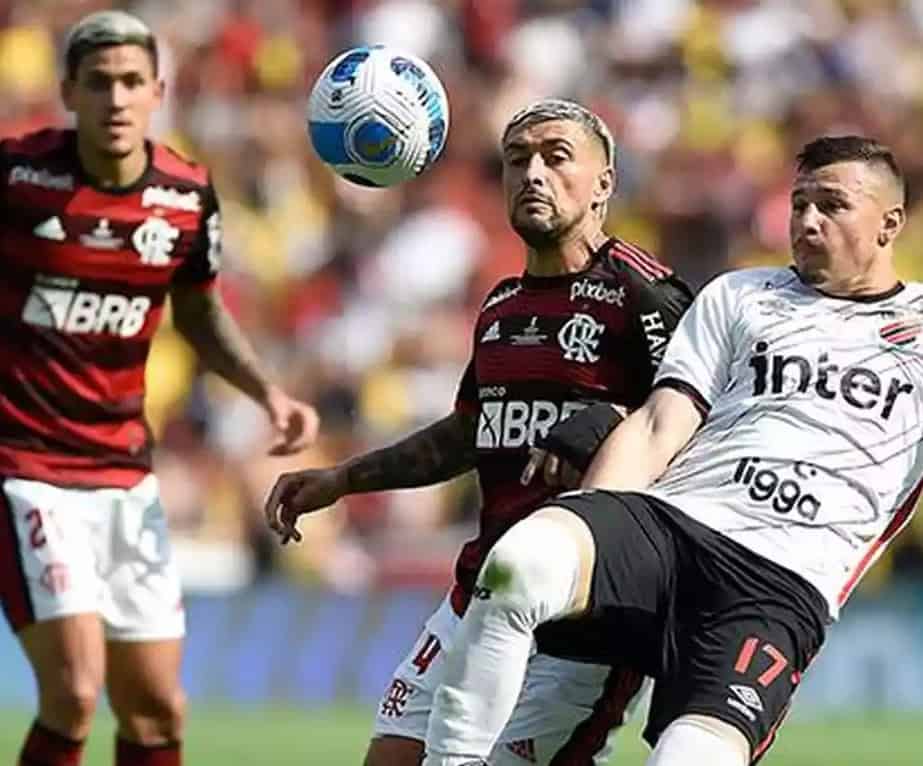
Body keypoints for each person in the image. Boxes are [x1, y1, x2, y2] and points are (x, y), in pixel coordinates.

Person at [419, 134, 922, 766]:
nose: (808, 221)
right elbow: (660, 425)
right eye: (799, 204)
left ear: (890, 223)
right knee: (521, 562)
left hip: (777, 585)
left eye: (832, 205)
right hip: (672, 526)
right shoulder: (741, 295)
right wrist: (593, 532)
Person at [265, 98, 693, 766]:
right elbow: (467, 433)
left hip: (581, 612)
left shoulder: (648, 295)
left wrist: (609, 419)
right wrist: (342, 478)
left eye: (556, 157)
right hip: (476, 592)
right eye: (516, 159)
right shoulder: (501, 307)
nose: (532, 174)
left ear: (604, 182)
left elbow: (697, 423)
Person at [0, 11, 319, 766]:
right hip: (27, 472)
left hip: (125, 478)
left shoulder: (184, 198)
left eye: (132, 83)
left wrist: (267, 393)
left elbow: (200, 315)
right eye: (100, 83)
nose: (117, 99)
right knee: (75, 690)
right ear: (69, 93)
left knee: (155, 714)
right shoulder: (17, 180)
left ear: (159, 92)